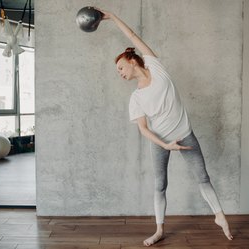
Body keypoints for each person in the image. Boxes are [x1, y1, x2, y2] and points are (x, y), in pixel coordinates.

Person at [99, 8, 233, 247]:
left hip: (185, 136)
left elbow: (131, 35)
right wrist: (165, 145)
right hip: (160, 142)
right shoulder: (136, 98)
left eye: (120, 68)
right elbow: (143, 129)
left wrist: (112, 17)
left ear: (131, 61)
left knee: (203, 178)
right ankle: (159, 230)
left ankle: (219, 216)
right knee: (160, 185)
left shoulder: (156, 67)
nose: (119, 73)